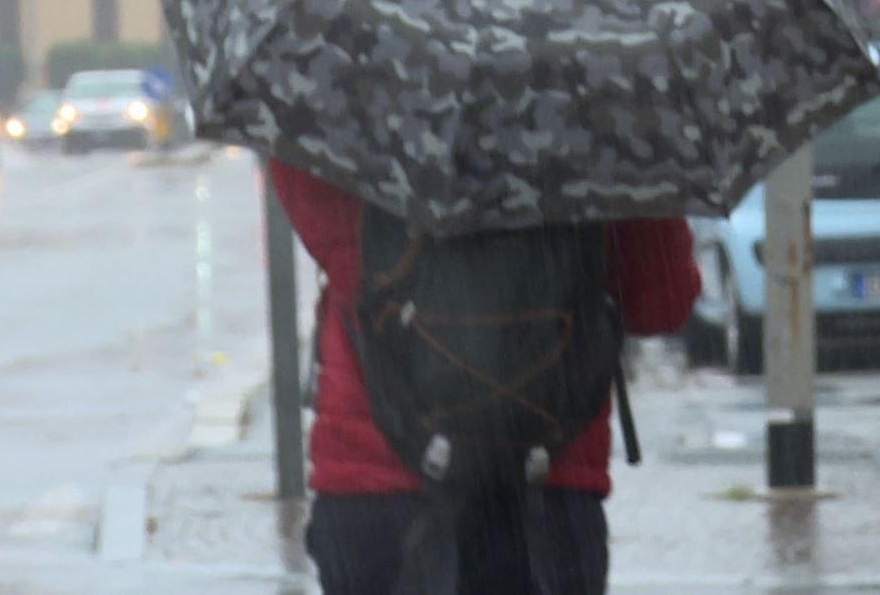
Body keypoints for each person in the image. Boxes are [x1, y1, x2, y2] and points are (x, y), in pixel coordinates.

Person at [271, 158, 703, 595]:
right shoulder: (601, 132)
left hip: (375, 478)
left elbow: (338, 241)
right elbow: (662, 303)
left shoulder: (353, 123)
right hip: (546, 492)